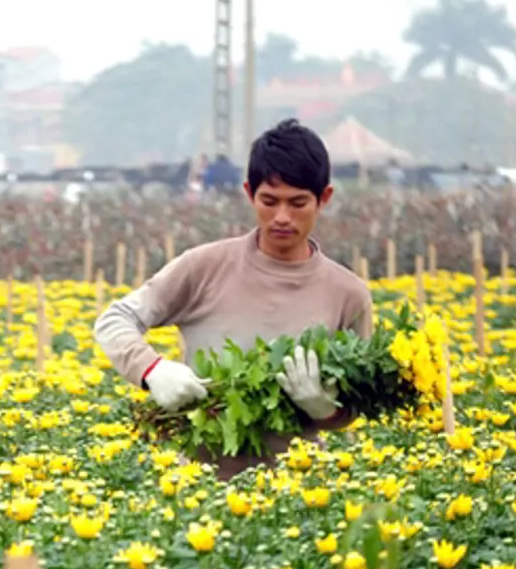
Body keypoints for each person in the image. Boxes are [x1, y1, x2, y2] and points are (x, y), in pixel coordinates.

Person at [95, 119, 372, 480]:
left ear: (324, 198)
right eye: (269, 201)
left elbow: (356, 403)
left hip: (302, 500)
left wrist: (325, 409)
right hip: (198, 494)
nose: (282, 217)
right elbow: (114, 320)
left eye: (298, 203)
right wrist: (151, 369)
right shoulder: (204, 267)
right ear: (248, 193)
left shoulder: (347, 294)